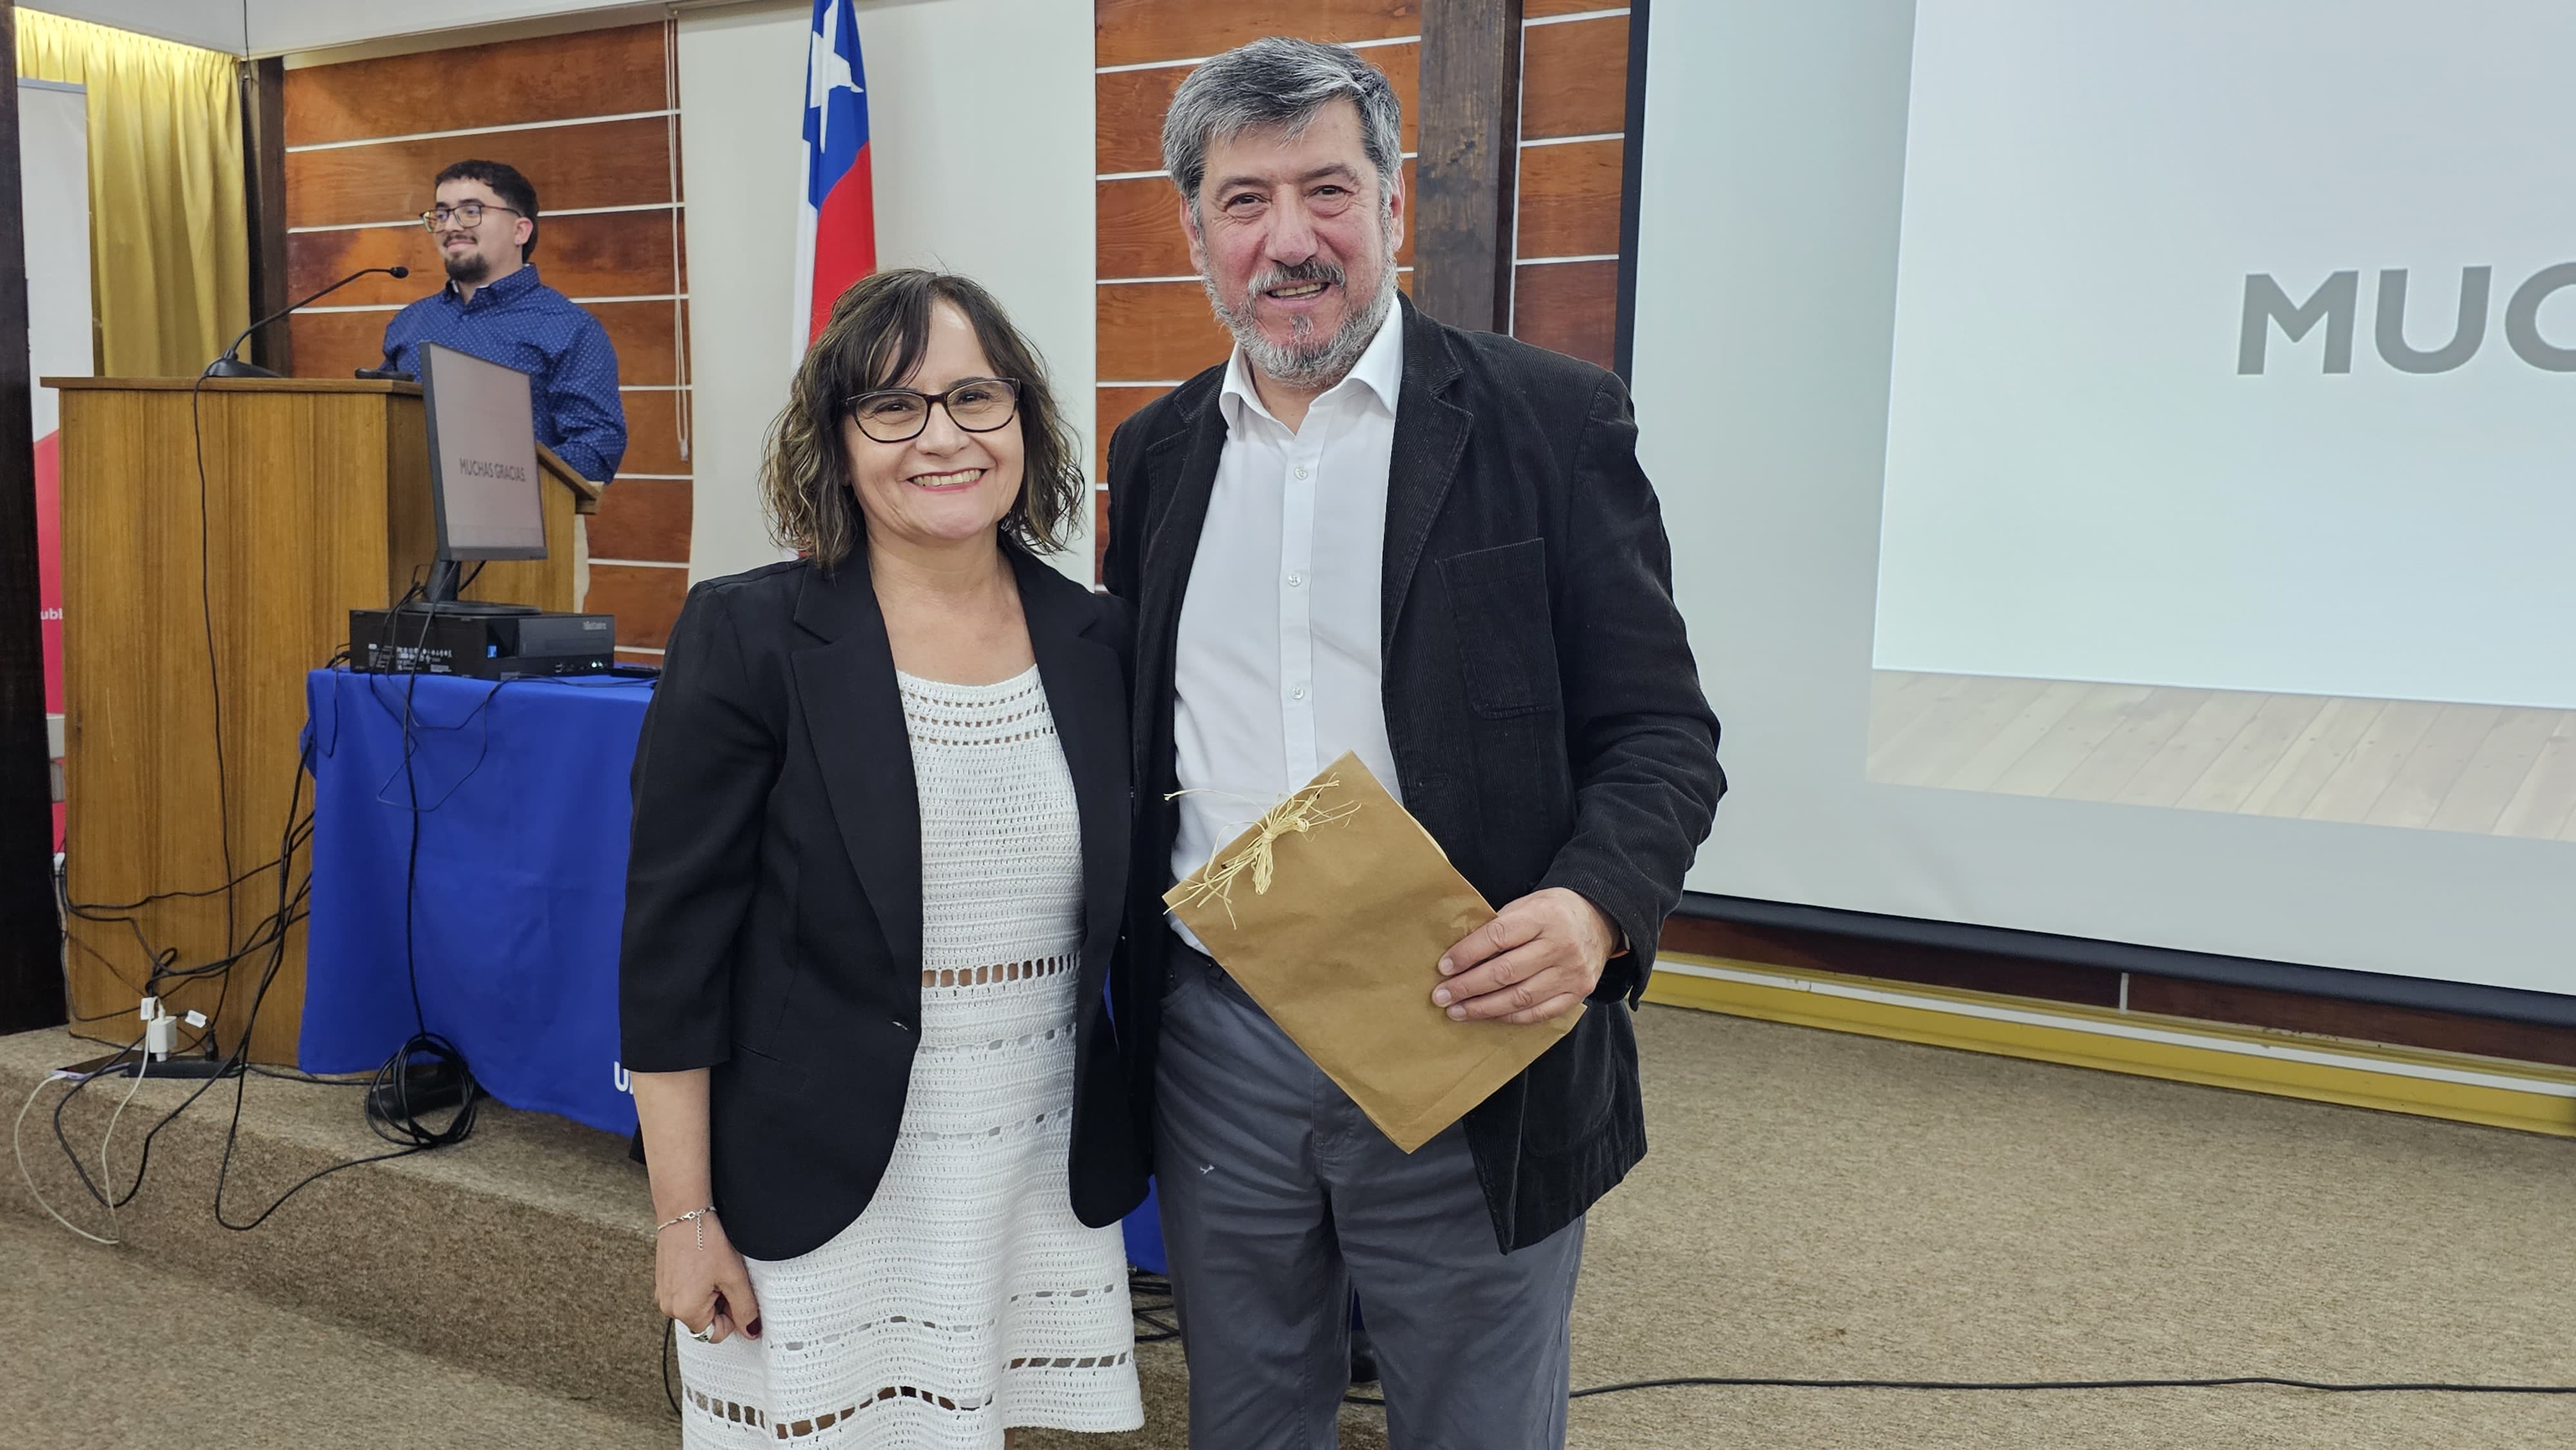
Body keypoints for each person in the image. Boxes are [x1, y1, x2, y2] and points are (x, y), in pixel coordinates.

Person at [1100, 38, 1724, 1450]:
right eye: (1243, 201)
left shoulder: (1545, 422)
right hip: (1219, 1032)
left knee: (1475, 1419)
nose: (1288, 237)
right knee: (1247, 1414)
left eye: (1326, 189)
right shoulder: (1153, 460)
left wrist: (1593, 906)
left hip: (1470, 1021)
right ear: (1196, 233)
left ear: (1390, 210)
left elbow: (1659, 731)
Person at [620, 269, 1147, 1448]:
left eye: (974, 396)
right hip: (820, 1175)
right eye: (894, 408)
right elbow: (671, 959)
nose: (944, 437)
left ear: (1024, 417)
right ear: (838, 443)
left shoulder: (1099, 636)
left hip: (1028, 1169)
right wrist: (682, 1214)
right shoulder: (750, 633)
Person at [380, 159, 627, 483]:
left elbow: (597, 448)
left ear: (520, 230)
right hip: (405, 522)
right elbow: (378, 421)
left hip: (523, 524)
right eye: (441, 215)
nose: (451, 226)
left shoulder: (567, 327)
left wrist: (497, 474)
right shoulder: (411, 322)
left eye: (471, 211)